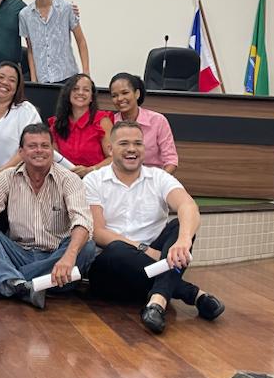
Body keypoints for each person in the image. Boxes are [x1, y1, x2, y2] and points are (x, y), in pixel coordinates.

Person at [85, 121, 224, 334]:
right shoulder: (94, 180)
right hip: (110, 269)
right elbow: (99, 233)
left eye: (138, 143)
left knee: (180, 225)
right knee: (117, 250)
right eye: (124, 143)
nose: (132, 149)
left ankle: (157, 302)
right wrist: (143, 249)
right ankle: (191, 293)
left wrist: (183, 240)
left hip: (154, 260)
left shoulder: (159, 177)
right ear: (110, 149)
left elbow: (188, 205)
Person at [0, 124, 95, 309]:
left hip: (57, 258)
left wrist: (68, 257)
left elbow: (82, 220)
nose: (39, 150)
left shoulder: (69, 179)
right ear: (21, 152)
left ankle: (6, 282)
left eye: (45, 146)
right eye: (32, 146)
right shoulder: (8, 177)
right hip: (18, 253)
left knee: (86, 246)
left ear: (53, 150)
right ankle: (25, 285)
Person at [19, 0, 90, 84]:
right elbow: (31, 49)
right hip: (43, 80)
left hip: (68, 76)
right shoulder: (25, 15)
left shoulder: (66, 8)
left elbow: (81, 40)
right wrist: (34, 80)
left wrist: (86, 73)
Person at [109, 72, 179, 174]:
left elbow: (171, 160)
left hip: (153, 178)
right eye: (114, 95)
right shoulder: (110, 123)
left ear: (137, 94)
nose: (119, 98)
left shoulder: (158, 121)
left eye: (125, 93)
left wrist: (159, 181)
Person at [48, 74, 112, 177]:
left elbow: (114, 158)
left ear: (91, 97)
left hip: (96, 179)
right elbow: (53, 159)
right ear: (68, 94)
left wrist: (90, 170)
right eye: (75, 89)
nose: (80, 93)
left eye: (86, 90)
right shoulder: (57, 124)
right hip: (64, 179)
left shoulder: (102, 121)